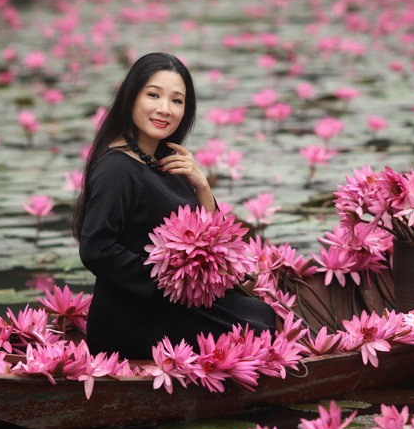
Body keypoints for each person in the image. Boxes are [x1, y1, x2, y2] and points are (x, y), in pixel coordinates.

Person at [71, 52, 276, 361]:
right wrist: (171, 281)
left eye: (177, 101)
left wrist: (201, 185)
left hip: (170, 304)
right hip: (133, 315)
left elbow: (216, 239)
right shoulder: (118, 167)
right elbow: (95, 249)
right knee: (255, 330)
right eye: (153, 95)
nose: (164, 109)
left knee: (260, 313)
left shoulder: (167, 160)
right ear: (131, 97)